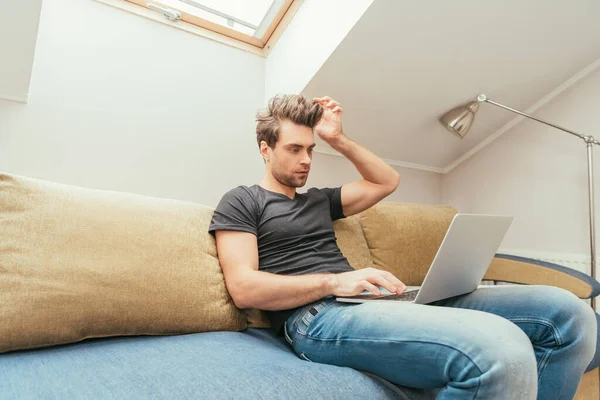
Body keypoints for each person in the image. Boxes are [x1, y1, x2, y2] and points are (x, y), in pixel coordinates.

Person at [208, 94, 597, 399]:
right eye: (295, 149)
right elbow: (244, 288)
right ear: (265, 149)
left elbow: (385, 181)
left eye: (310, 149)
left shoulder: (318, 201)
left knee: (570, 316)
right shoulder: (243, 200)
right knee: (498, 349)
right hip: (317, 318)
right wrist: (333, 282)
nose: (307, 159)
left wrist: (337, 138)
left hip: (377, 300)